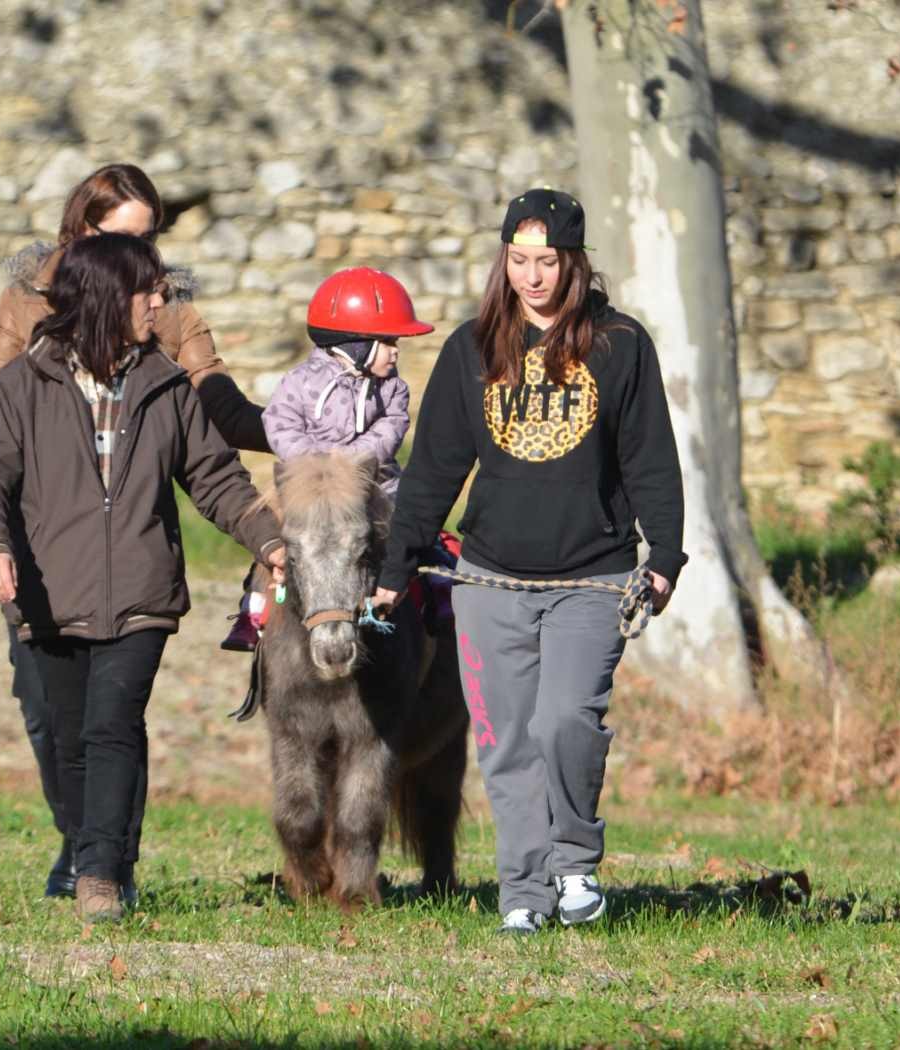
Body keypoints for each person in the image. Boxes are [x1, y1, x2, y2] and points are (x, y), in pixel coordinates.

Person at [0, 163, 268, 901]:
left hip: (133, 562)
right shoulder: (28, 308)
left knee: (114, 719)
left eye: (150, 240)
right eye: (124, 240)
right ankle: (81, 840)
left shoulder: (160, 311)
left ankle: (103, 866)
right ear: (83, 235)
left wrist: (300, 431)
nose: (150, 264)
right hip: (43, 552)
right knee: (53, 716)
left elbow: (214, 410)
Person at [372, 189, 687, 936]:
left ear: (572, 262)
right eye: (518, 260)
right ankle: (524, 892)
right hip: (488, 580)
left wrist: (664, 553)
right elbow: (433, 470)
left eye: (547, 261)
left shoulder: (619, 345)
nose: (532, 276)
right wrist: (396, 564)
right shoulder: (471, 347)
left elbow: (650, 459)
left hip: (593, 574)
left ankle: (573, 861)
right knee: (504, 741)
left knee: (563, 722)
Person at [220, 267, 431, 651]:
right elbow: (278, 420)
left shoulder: (394, 388)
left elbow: (393, 426)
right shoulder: (300, 382)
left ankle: (432, 600)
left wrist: (352, 461)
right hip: (308, 484)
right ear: (353, 346)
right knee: (279, 547)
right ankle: (254, 615)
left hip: (374, 483)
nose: (396, 350)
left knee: (413, 535)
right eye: (387, 341)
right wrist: (309, 461)